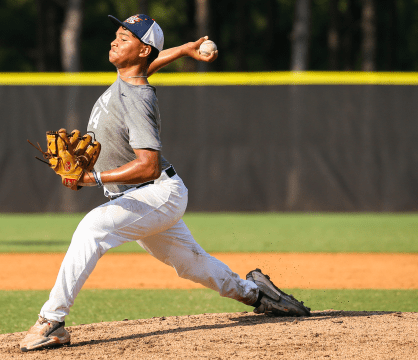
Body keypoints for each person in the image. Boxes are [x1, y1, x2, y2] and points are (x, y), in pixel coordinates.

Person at [20, 14, 309, 352]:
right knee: (192, 265)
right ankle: (258, 293)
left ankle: (52, 321)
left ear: (142, 51)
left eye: (124, 39)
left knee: (91, 229)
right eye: (116, 34)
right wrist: (185, 49)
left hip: (158, 193)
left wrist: (93, 178)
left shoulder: (138, 99)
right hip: (138, 199)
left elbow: (148, 165)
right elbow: (149, 64)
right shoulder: (129, 80)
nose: (114, 41)